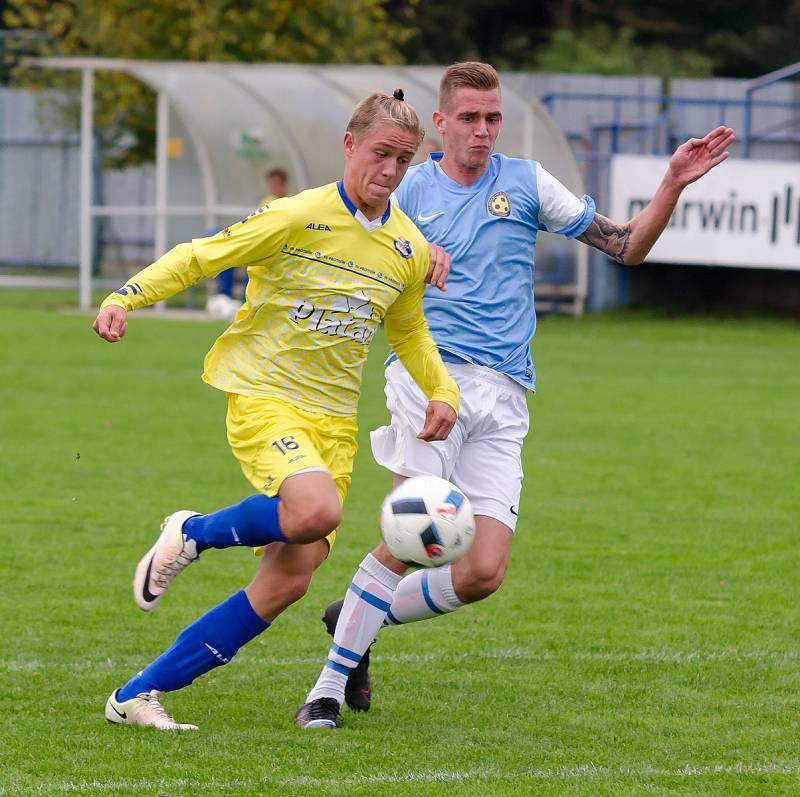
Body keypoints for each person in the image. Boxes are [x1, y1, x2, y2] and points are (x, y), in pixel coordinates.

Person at [295, 61, 735, 728]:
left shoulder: (528, 183)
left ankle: (357, 614)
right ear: (439, 124)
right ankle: (325, 689)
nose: (482, 129)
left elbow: (626, 247)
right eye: (469, 117)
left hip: (505, 396)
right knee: (413, 536)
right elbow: (351, 258)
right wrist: (412, 255)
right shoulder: (405, 190)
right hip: (428, 383)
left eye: (492, 117)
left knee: (482, 573)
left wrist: (672, 183)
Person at [93, 89, 460, 731]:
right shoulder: (295, 216)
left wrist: (443, 391)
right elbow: (204, 255)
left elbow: (409, 332)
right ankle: (192, 532)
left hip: (332, 424)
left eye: (404, 161)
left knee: (288, 580)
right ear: (350, 145)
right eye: (381, 154)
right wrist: (130, 294)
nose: (390, 171)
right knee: (316, 510)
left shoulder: (407, 247)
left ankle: (136, 696)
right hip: (267, 396)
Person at [208, 170, 292, 318]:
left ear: (284, 185)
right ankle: (229, 301)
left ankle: (251, 306)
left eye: (277, 184)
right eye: (271, 184)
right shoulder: (267, 201)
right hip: (261, 246)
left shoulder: (292, 203)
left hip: (279, 251)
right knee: (233, 263)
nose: (274, 187)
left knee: (257, 274)